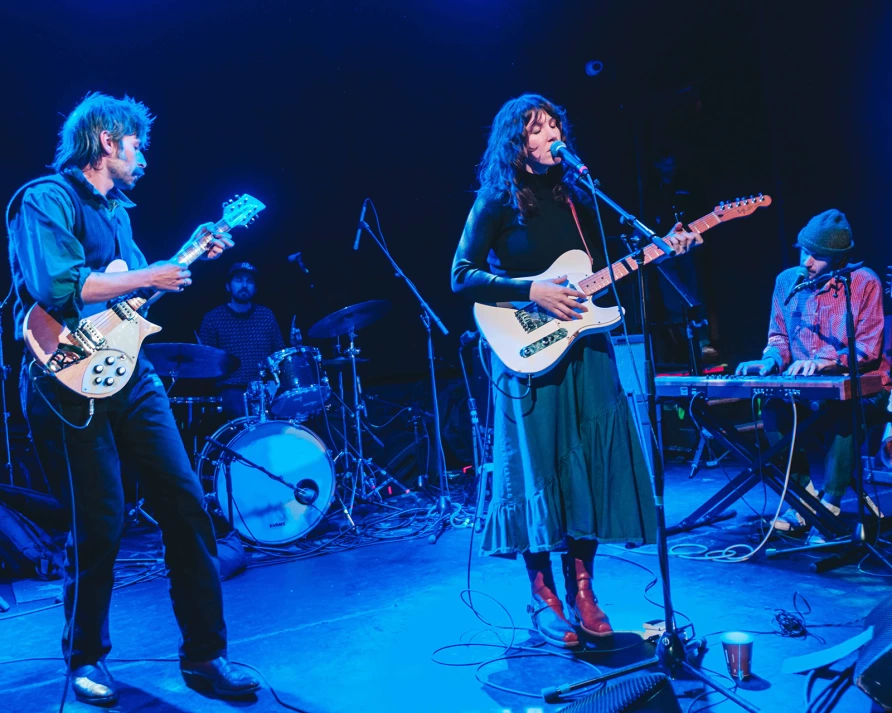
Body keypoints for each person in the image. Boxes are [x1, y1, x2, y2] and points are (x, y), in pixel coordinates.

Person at [7, 92, 260, 705]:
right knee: (98, 523)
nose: (144, 154)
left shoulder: (119, 214)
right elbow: (58, 287)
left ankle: (206, 656)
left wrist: (188, 253)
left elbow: (132, 300)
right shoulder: (45, 199)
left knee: (186, 502)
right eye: (136, 143)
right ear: (105, 142)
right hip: (63, 374)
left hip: (130, 371)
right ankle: (85, 658)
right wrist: (152, 274)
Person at [451, 94, 700, 648]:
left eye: (555, 125)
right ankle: (543, 590)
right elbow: (460, 274)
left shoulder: (578, 195)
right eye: (537, 129)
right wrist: (530, 287)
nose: (550, 135)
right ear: (516, 143)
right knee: (538, 467)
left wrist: (668, 247)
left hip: (586, 346)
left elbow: (618, 257)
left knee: (587, 459)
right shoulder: (497, 200)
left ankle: (584, 585)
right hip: (527, 347)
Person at [735, 209, 890, 540]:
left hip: (864, 390)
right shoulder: (787, 281)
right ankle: (803, 502)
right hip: (806, 392)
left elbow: (868, 350)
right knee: (775, 411)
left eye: (817, 256)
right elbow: (778, 337)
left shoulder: (864, 283)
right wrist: (770, 361)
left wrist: (824, 361)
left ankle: (830, 505)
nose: (806, 261)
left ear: (839, 259)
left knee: (843, 414)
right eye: (804, 251)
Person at [198, 262, 286, 419]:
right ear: (228, 286)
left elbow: (278, 354)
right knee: (239, 410)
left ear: (256, 288)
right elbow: (207, 364)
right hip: (231, 387)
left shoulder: (266, 315)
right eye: (239, 280)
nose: (244, 285)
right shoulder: (212, 318)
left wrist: (274, 383)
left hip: (264, 385)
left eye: (250, 281)